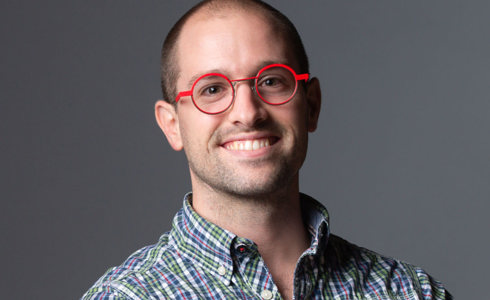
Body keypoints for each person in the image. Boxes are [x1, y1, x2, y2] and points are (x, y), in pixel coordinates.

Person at [82, 0, 452, 299]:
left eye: (271, 81)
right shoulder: (127, 296)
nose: (247, 113)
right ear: (171, 125)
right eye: (212, 89)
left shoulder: (406, 291)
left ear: (311, 106)